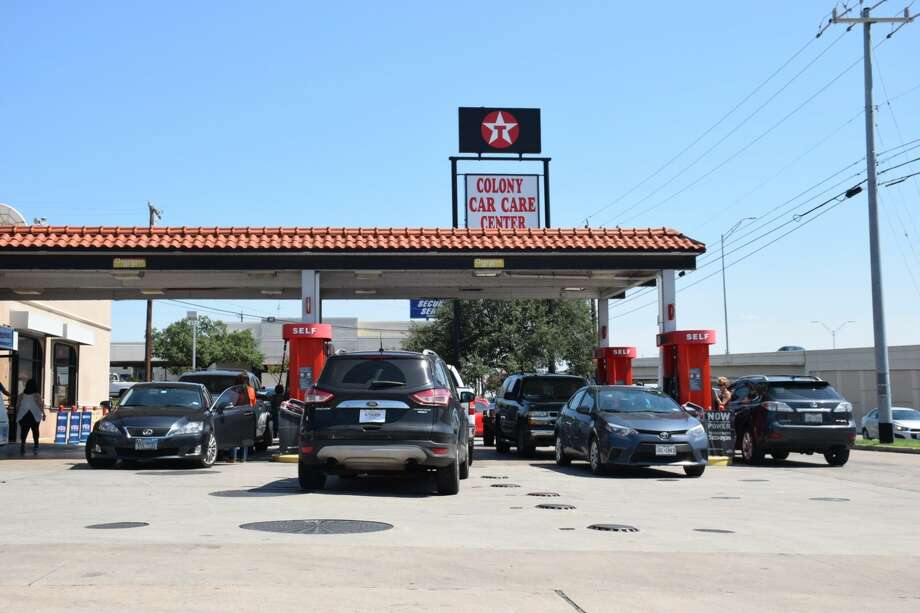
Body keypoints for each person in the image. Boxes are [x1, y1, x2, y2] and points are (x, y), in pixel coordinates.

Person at [227, 373, 256, 464]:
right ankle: (243, 458)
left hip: (236, 413)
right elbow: (253, 403)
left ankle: (233, 458)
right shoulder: (251, 390)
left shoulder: (234, 390)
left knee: (233, 436)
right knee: (244, 436)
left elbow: (232, 402)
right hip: (248, 414)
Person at [16, 379, 45, 456]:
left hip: (23, 415)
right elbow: (40, 405)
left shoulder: (21, 395)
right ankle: (36, 445)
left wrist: (17, 414)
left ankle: (23, 444)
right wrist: (44, 413)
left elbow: (18, 406)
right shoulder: (37, 395)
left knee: (24, 430)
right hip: (34, 415)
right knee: (35, 430)